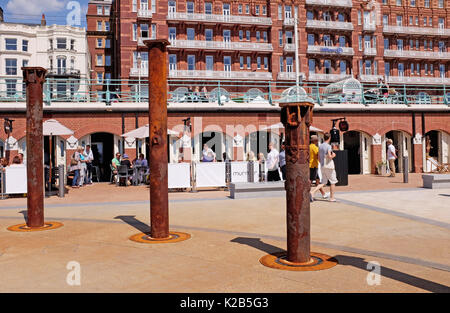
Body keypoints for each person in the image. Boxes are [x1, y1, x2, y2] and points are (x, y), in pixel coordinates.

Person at [311, 132, 338, 202]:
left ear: (324, 137)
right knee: (333, 182)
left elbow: (319, 157)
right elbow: (329, 155)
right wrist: (333, 155)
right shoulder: (328, 146)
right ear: (329, 138)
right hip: (329, 166)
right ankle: (332, 198)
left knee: (323, 182)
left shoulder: (320, 146)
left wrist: (322, 163)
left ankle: (312, 192)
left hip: (322, 166)